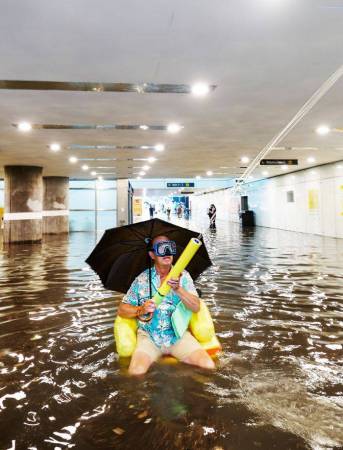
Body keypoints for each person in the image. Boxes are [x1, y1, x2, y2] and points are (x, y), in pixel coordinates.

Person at [118, 235, 215, 375]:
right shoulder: (142, 279)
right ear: (152, 254)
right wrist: (141, 309)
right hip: (150, 336)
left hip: (177, 335)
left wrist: (178, 289)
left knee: (208, 366)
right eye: (162, 248)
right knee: (136, 373)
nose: (167, 252)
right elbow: (122, 309)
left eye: (170, 247)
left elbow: (196, 307)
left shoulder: (184, 276)